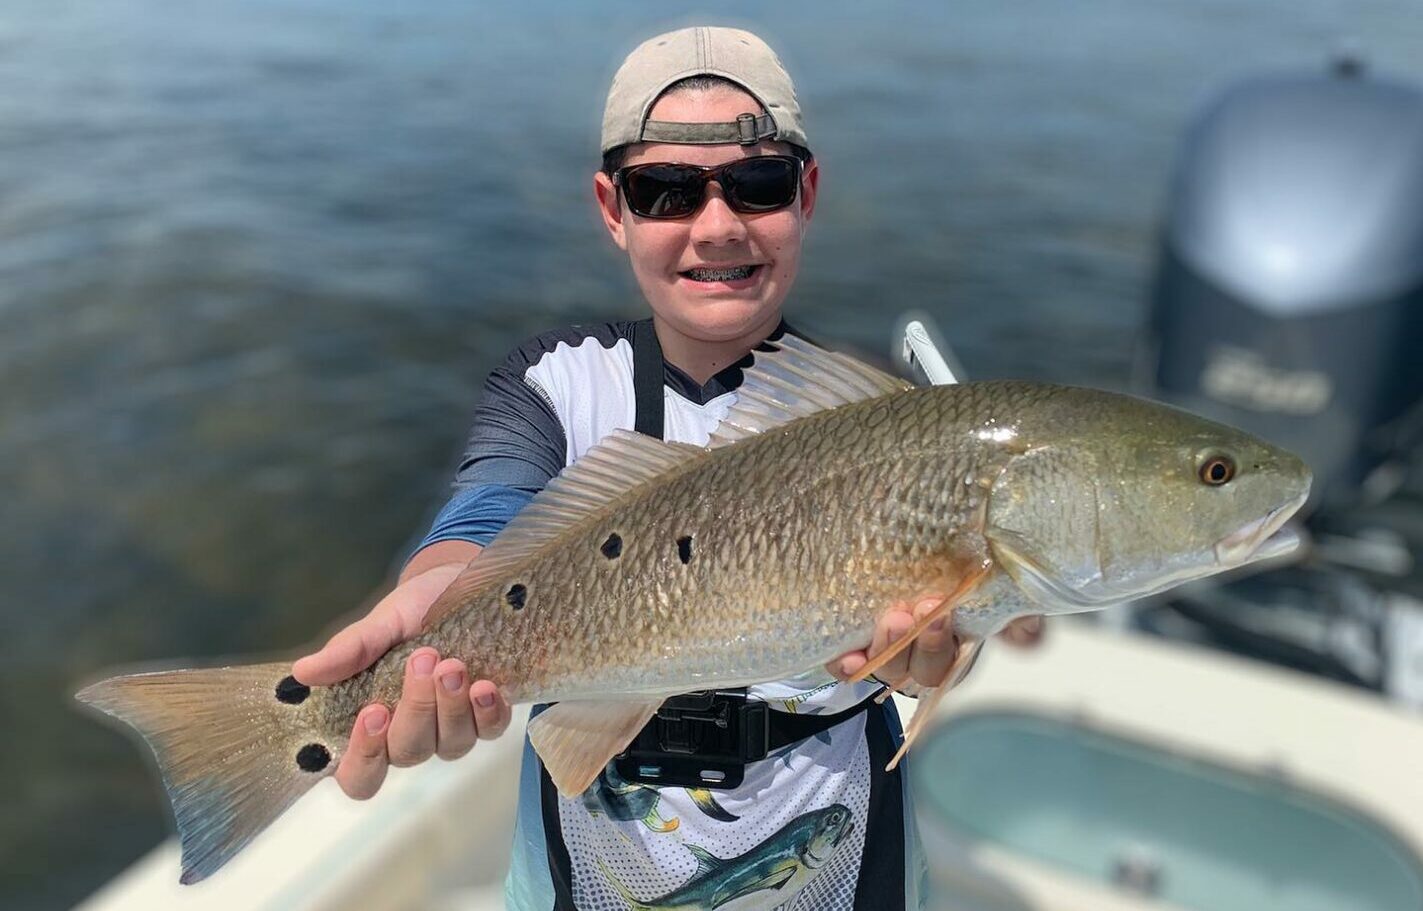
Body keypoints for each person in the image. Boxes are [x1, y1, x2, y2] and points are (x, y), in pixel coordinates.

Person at [292, 25, 1041, 910]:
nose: (717, 226)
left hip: (834, 833)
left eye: (757, 185)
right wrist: (439, 602)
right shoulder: (555, 382)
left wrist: (958, 645)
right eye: (666, 191)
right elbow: (489, 509)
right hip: (592, 853)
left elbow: (986, 619)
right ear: (613, 209)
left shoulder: (874, 419)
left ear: (805, 193)